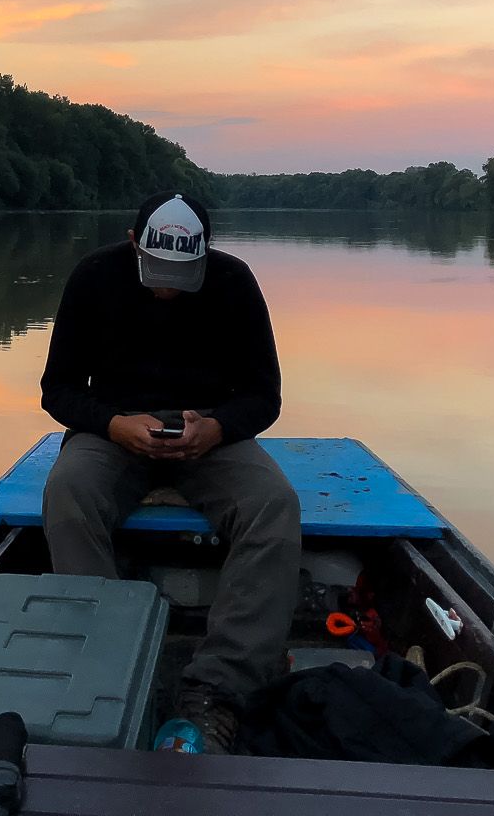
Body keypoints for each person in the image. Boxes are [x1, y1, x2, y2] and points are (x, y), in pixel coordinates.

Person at [39, 192, 300, 755]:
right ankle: (106, 660)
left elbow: (264, 397)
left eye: (183, 274)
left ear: (206, 254)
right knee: (67, 492)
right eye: (158, 271)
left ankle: (218, 691)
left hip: (209, 436)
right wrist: (112, 424)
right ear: (135, 244)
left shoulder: (234, 282)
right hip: (114, 433)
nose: (168, 288)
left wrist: (217, 427)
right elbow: (57, 390)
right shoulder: (93, 277)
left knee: (274, 505)